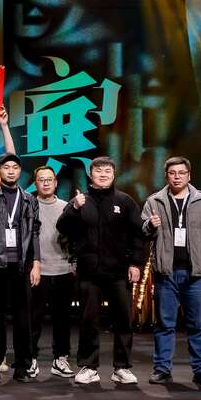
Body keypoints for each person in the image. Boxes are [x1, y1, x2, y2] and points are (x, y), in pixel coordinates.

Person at [57, 156, 144, 385]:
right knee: (88, 321)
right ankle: (89, 367)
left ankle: (121, 367)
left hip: (119, 272)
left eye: (107, 171)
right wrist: (74, 208)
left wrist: (136, 263)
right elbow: (62, 226)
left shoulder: (125, 201)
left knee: (123, 320)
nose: (103, 174)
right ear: (90, 174)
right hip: (89, 272)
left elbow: (138, 235)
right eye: (98, 170)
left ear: (113, 174)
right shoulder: (80, 200)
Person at [141, 156, 201, 387]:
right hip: (166, 273)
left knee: (198, 325)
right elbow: (143, 231)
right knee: (164, 325)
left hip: (195, 273)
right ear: (166, 176)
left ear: (189, 175)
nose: (177, 177)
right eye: (172, 173)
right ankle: (162, 369)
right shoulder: (154, 200)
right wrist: (150, 225)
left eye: (181, 173)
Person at [0, 153, 41, 383]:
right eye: (7, 167)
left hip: (22, 266)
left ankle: (22, 366)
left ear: (20, 171)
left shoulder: (29, 199)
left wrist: (36, 264)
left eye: (15, 167)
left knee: (23, 319)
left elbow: (35, 233)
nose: (11, 171)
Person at [29, 165, 76, 379]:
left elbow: (75, 238)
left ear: (56, 183)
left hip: (63, 270)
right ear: (35, 183)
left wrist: (74, 264)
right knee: (33, 319)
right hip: (37, 271)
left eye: (50, 179)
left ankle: (60, 359)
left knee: (62, 319)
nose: (46, 183)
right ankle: (30, 358)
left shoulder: (67, 207)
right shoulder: (28, 206)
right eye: (41, 179)